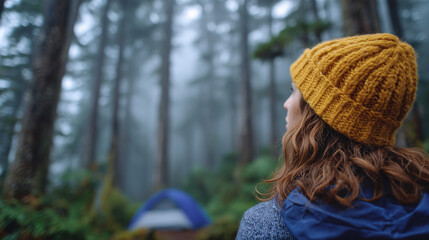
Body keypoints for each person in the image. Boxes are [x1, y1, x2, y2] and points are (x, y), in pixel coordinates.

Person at [236, 33, 429, 240]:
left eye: (294, 92)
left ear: (317, 114)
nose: (287, 103)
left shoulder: (266, 224)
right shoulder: (420, 196)